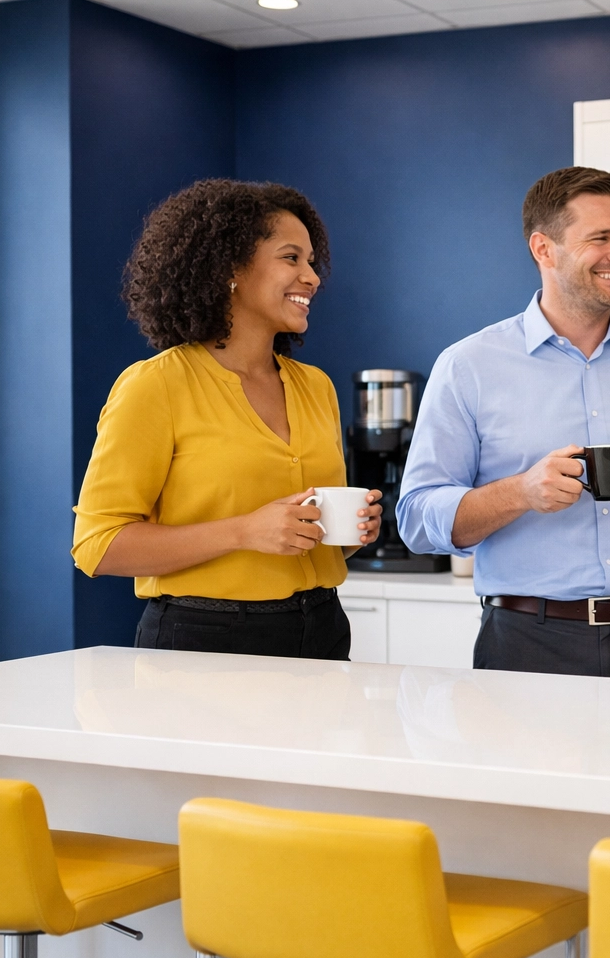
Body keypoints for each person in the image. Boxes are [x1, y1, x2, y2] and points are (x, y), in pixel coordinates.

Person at [397, 167, 610, 680]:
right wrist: (520, 492)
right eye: (600, 238)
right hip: (527, 647)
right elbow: (416, 518)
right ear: (544, 248)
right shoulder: (468, 366)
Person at [72, 179, 382, 659]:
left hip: (321, 628)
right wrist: (244, 531)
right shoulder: (156, 385)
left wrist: (351, 533)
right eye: (291, 258)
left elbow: (308, 541)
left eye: (312, 262)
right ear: (230, 269)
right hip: (205, 640)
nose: (313, 277)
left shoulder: (315, 386)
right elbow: (98, 544)